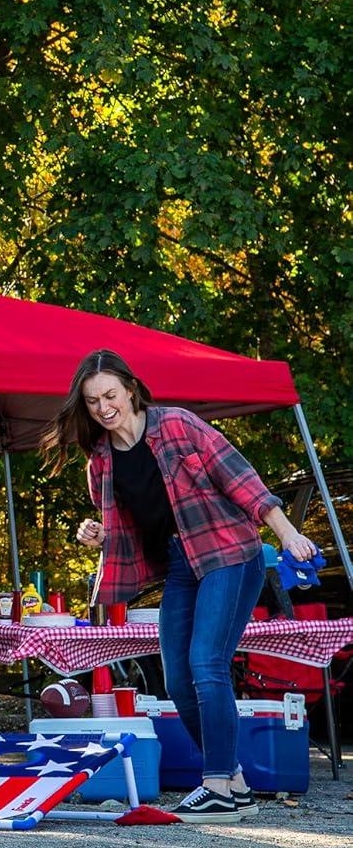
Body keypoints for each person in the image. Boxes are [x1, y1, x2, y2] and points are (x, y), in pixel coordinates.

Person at [45, 348, 316, 823]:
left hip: (231, 553)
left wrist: (288, 533)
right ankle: (233, 782)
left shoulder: (178, 425)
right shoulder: (102, 463)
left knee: (206, 663)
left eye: (110, 395)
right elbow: (125, 524)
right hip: (180, 564)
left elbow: (243, 481)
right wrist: (98, 535)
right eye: (92, 401)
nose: (104, 407)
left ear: (130, 389)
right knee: (177, 678)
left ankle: (212, 785)